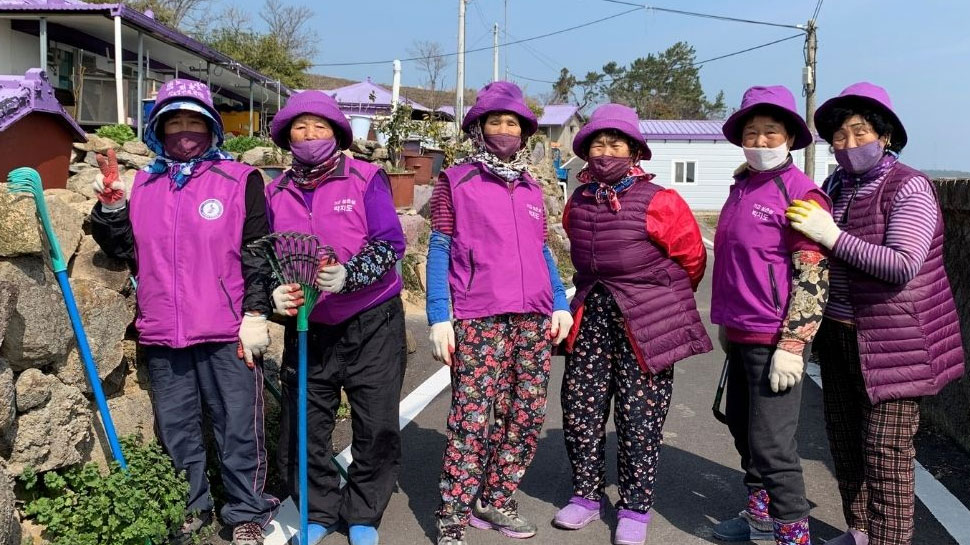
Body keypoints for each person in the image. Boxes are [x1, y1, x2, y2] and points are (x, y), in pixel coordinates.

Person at [90, 78, 278, 545]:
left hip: (226, 329)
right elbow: (125, 251)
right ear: (159, 129)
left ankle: (245, 513)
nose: (185, 131)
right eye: (175, 121)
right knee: (177, 430)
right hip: (163, 330)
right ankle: (192, 507)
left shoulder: (240, 180)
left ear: (212, 127)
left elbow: (259, 251)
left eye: (195, 121)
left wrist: (256, 313)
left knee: (238, 426)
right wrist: (112, 208)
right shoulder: (145, 183)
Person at [785, 82, 964, 545]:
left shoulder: (909, 186)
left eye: (859, 133)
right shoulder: (836, 185)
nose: (847, 145)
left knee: (886, 453)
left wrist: (832, 236)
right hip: (841, 334)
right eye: (838, 137)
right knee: (845, 444)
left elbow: (902, 264)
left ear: (884, 135)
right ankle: (860, 530)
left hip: (896, 342)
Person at [553, 103, 712, 545]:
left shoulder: (661, 199)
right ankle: (585, 495)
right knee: (581, 408)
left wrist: (662, 296)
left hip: (647, 318)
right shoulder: (580, 199)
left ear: (634, 150)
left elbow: (692, 259)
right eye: (597, 144)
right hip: (593, 313)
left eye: (615, 143)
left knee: (640, 414)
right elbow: (577, 248)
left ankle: (635, 506)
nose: (605, 152)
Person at [425, 81, 573, 545]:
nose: (505, 129)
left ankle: (496, 499)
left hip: (532, 318)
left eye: (513, 123)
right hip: (478, 315)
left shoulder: (531, 186)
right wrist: (438, 315)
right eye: (496, 121)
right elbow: (440, 246)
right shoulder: (456, 180)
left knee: (525, 414)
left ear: (525, 131)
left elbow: (543, 251)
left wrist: (561, 303)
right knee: (471, 418)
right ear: (479, 127)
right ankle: (452, 517)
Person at [265, 90, 407, 545]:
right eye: (300, 128)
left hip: (372, 320)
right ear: (287, 136)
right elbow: (265, 256)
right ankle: (319, 510)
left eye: (320, 127)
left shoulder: (365, 177)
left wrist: (350, 274)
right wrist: (274, 292)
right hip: (309, 326)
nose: (310, 136)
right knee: (305, 425)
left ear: (338, 133)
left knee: (376, 422)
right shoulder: (275, 190)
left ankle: (364, 511)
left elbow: (389, 243)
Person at [710, 85, 833, 545]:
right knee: (744, 432)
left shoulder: (800, 192)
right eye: (752, 132)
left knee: (773, 447)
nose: (760, 141)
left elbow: (813, 276)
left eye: (771, 133)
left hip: (773, 338)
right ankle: (760, 517)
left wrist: (793, 344)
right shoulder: (742, 185)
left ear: (790, 138)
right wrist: (725, 326)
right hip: (739, 333)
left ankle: (793, 534)